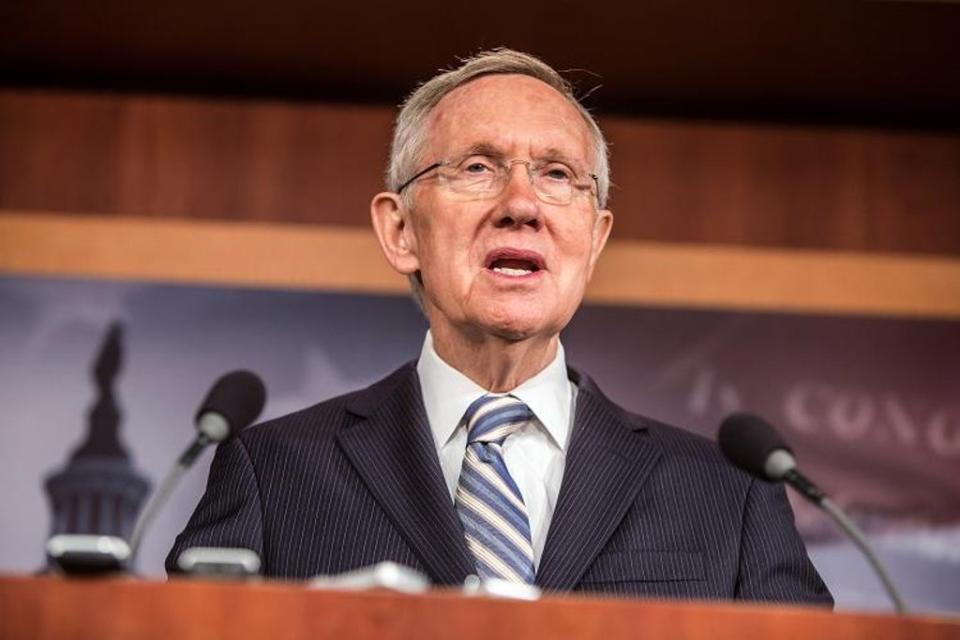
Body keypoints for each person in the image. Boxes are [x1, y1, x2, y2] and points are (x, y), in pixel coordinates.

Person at [167, 49, 832, 604]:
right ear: (400, 231)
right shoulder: (274, 472)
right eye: (478, 168)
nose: (521, 205)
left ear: (594, 242)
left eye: (557, 175)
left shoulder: (729, 492)